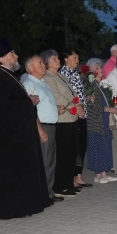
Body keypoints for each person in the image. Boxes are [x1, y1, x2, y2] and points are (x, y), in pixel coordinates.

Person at [0, 38, 50, 219]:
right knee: (12, 174)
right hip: (8, 137)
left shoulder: (7, 75)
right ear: (3, 58)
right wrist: (28, 101)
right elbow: (4, 108)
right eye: (12, 53)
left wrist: (27, 101)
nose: (16, 56)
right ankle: (15, 208)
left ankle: (28, 204)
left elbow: (13, 102)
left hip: (19, 132)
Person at [22, 55, 64, 204]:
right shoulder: (29, 84)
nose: (43, 65)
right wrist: (40, 130)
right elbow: (29, 110)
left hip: (50, 125)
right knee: (45, 161)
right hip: (43, 127)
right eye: (40, 63)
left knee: (50, 161)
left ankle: (49, 192)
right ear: (31, 68)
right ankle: (42, 195)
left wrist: (55, 108)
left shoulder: (42, 82)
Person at [41, 49, 83, 198]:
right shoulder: (48, 77)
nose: (58, 60)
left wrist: (78, 105)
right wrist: (75, 106)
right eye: (54, 59)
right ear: (46, 63)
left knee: (71, 153)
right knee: (62, 154)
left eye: (57, 58)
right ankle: (59, 186)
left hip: (71, 119)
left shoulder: (59, 75)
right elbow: (57, 98)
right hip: (62, 120)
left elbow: (72, 94)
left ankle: (68, 183)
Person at [59, 47, 92, 188]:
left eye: (78, 58)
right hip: (73, 114)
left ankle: (79, 175)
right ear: (65, 58)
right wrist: (79, 105)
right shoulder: (63, 74)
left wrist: (86, 100)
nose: (77, 60)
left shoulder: (76, 74)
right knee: (75, 147)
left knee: (82, 145)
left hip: (82, 114)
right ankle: (72, 176)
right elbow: (67, 96)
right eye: (74, 57)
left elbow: (79, 93)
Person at [85, 58, 117, 183]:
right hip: (96, 122)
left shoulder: (101, 84)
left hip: (103, 120)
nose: (100, 71)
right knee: (98, 146)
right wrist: (109, 109)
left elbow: (106, 100)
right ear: (91, 72)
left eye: (100, 68)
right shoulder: (90, 86)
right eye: (97, 69)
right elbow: (93, 105)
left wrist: (113, 104)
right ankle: (99, 174)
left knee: (104, 146)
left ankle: (102, 173)